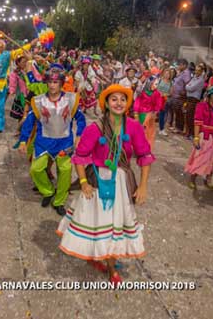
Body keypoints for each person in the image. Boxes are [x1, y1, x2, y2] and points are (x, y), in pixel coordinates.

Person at [57, 84, 155, 284]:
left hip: (122, 183)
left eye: (122, 99)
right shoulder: (95, 128)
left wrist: (143, 186)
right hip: (98, 182)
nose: (118, 103)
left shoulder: (134, 127)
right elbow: (80, 157)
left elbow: (145, 156)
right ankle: (108, 265)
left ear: (127, 103)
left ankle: (110, 263)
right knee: (100, 224)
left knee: (115, 225)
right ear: (106, 104)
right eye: (114, 99)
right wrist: (83, 182)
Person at [18, 68, 86, 216]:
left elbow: (81, 120)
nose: (52, 85)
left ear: (61, 83)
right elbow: (29, 122)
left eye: (55, 82)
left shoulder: (71, 99)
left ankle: (59, 201)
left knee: (65, 171)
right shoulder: (38, 101)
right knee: (36, 169)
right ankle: (48, 191)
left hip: (64, 143)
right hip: (44, 142)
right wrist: (23, 141)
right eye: (50, 82)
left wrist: (80, 135)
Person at [0, 38, 36, 133]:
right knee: (0, 106)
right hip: (1, 85)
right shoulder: (7, 55)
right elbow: (20, 50)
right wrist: (30, 44)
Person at [185, 85, 213, 190]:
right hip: (204, 136)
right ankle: (192, 179)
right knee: (200, 158)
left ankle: (208, 180)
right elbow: (197, 122)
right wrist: (196, 138)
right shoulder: (201, 106)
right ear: (211, 96)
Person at [132, 71, 164, 147]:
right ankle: (138, 146)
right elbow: (137, 102)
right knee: (139, 131)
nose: (155, 86)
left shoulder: (157, 94)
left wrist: (155, 113)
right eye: (154, 83)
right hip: (140, 114)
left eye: (157, 84)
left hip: (150, 114)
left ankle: (145, 146)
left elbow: (158, 104)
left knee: (148, 132)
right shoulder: (142, 92)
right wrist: (136, 112)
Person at [184, 63, 206, 137]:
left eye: (198, 71)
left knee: (191, 117)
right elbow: (187, 85)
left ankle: (191, 134)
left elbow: (190, 88)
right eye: (196, 70)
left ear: (201, 71)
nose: (196, 72)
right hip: (189, 98)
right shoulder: (194, 78)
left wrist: (188, 86)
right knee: (188, 116)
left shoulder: (201, 80)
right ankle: (188, 132)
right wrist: (188, 86)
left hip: (194, 100)